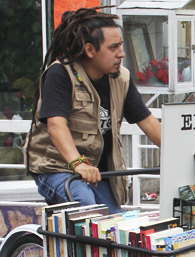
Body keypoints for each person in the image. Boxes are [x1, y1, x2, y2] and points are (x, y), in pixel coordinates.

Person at [23, 8, 162, 214]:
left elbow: (148, 122)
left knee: (117, 225)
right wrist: (78, 163)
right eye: (113, 47)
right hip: (56, 167)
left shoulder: (121, 77)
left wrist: (183, 155)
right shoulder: (61, 74)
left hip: (97, 171)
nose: (121, 54)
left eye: (121, 45)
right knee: (86, 206)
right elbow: (56, 125)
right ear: (89, 50)